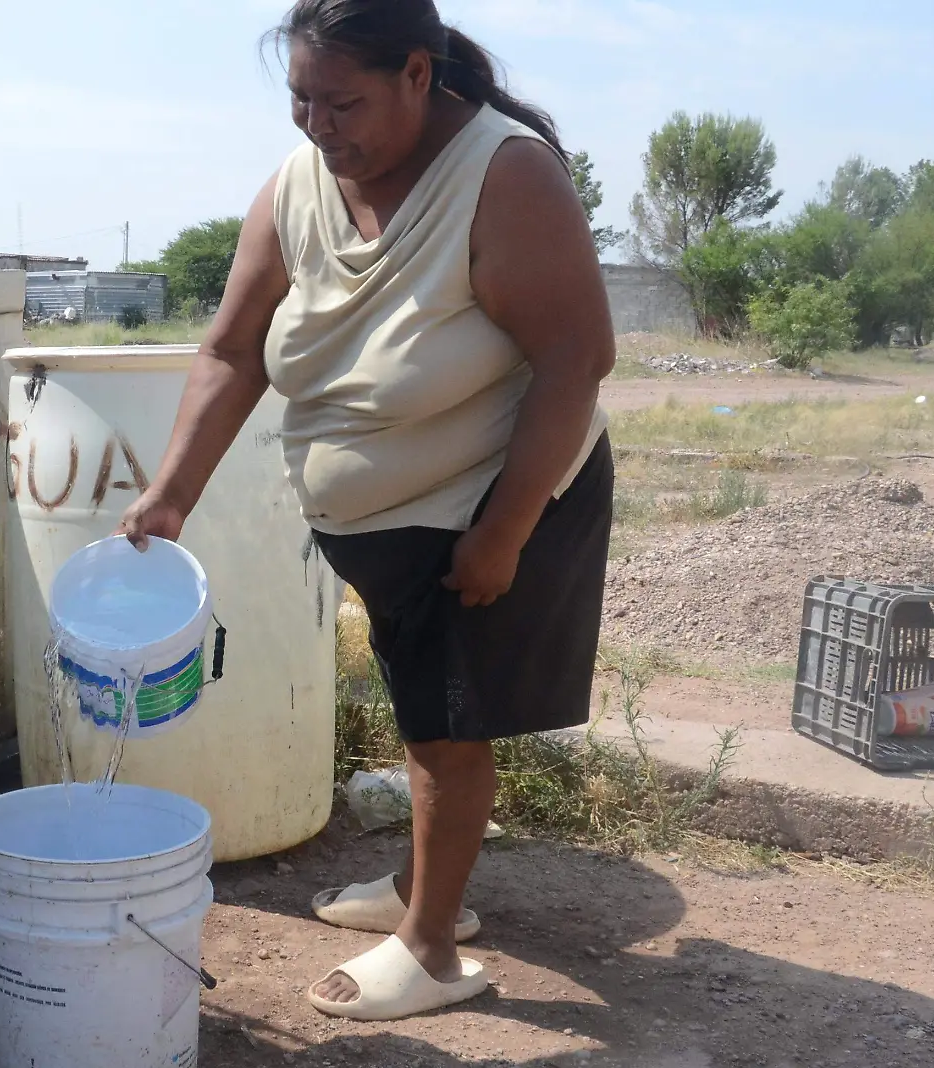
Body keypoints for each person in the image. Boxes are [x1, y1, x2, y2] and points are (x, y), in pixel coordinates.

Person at [115, 0, 616, 1023]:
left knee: (443, 731)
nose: (317, 124)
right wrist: (171, 494)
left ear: (418, 77)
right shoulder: (299, 187)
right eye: (300, 99)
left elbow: (577, 360)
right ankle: (421, 891)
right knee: (417, 705)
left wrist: (504, 532)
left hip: (486, 503)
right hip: (384, 524)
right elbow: (229, 349)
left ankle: (430, 948)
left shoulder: (503, 174)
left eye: (341, 101)